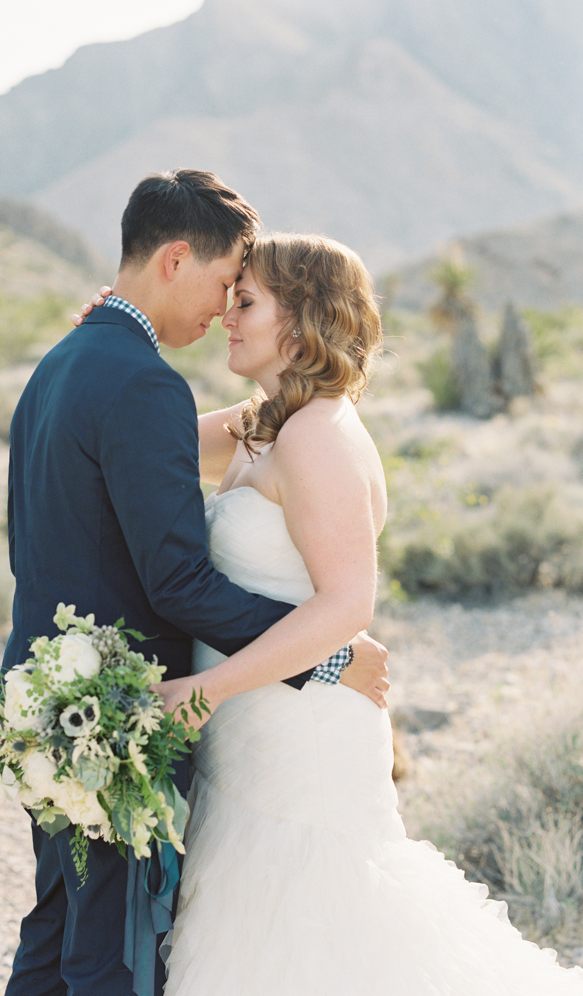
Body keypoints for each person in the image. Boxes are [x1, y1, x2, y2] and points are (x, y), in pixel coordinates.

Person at [129, 231, 582, 995]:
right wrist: (105, 340)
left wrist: (206, 691)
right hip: (256, 730)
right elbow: (139, 441)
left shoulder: (317, 437)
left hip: (302, 739)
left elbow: (348, 604)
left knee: (312, 937)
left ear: (302, 322)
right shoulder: (261, 422)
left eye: (246, 302)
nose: (226, 317)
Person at [3, 170, 388, 996]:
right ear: (177, 259)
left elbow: (338, 585)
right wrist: (328, 660)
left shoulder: (68, 360)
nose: (223, 312)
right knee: (107, 952)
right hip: (113, 703)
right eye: (226, 288)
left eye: (245, 300)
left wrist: (112, 320)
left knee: (64, 930)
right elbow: (178, 582)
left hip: (55, 689)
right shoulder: (140, 379)